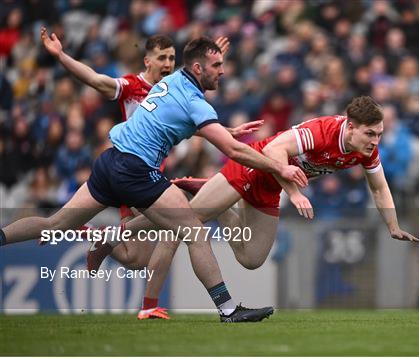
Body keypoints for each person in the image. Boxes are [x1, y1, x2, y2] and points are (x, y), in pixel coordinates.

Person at [0, 37, 308, 322]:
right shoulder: (195, 101)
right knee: (194, 232)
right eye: (217, 66)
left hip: (110, 160)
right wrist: (279, 168)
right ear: (198, 68)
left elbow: (176, 117)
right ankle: (228, 310)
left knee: (55, 224)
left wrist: (219, 118)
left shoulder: (171, 81)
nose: (223, 72)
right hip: (136, 170)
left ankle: (9, 237)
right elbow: (233, 152)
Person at [88, 96, 419, 299]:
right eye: (370, 133)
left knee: (251, 258)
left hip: (270, 185)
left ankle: (214, 197)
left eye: (378, 135)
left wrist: (392, 225)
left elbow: (379, 187)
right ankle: (117, 240)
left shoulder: (363, 151)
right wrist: (293, 191)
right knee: (185, 220)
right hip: (255, 165)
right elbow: (276, 149)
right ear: (350, 126)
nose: (375, 141)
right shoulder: (321, 132)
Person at [40, 28, 229, 222]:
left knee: (146, 246)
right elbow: (94, 79)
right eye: (162, 58)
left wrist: (211, 60)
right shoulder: (132, 87)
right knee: (172, 233)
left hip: (154, 169)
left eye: (172, 59)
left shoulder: (176, 88)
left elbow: (186, 123)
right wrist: (62, 56)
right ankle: (102, 238)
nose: (168, 64)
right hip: (133, 170)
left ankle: (102, 238)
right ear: (147, 62)